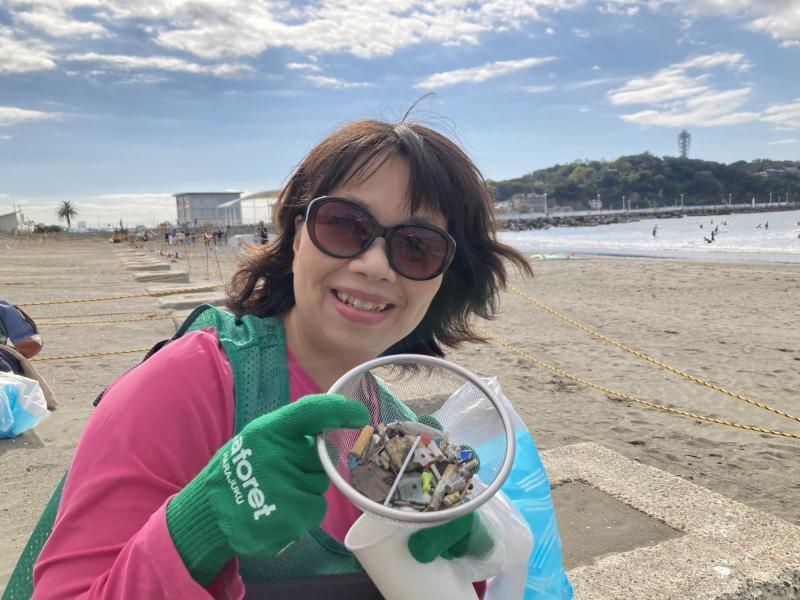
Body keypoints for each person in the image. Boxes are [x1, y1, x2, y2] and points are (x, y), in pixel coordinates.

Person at [25, 115, 536, 598]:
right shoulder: (193, 381)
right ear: (294, 236)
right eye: (344, 225)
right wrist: (199, 527)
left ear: (444, 278)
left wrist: (470, 557)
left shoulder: (403, 434)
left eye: (417, 246)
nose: (375, 265)